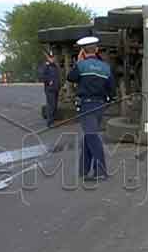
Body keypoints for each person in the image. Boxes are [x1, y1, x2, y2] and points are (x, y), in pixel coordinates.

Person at [67, 36, 115, 181]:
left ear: (83, 51)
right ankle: (84, 169)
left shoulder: (81, 66)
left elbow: (70, 77)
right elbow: (112, 89)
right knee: (89, 135)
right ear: (97, 50)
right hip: (100, 105)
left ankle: (100, 171)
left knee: (92, 136)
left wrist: (79, 62)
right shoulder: (105, 67)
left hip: (86, 105)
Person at [38, 50, 61, 127]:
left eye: (53, 57)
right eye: (51, 57)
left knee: (54, 105)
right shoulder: (45, 65)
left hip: (56, 88)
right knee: (51, 105)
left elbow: (57, 76)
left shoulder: (55, 65)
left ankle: (53, 120)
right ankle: (50, 122)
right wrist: (48, 81)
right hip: (50, 88)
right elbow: (41, 76)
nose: (52, 58)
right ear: (48, 57)